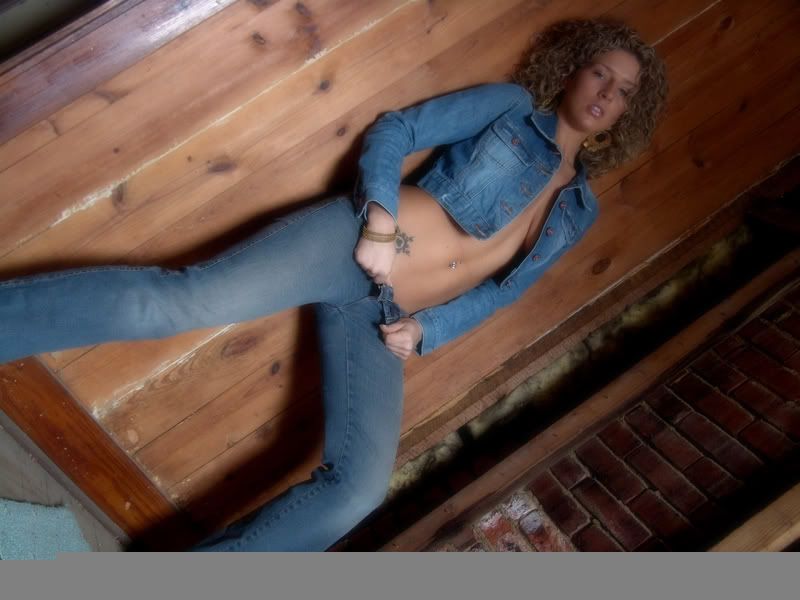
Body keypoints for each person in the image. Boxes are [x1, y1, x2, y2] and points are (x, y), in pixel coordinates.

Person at [0, 19, 667, 551]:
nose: (606, 93)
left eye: (624, 90)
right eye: (599, 73)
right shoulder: (512, 108)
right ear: (572, 70)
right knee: (180, 302)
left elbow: (505, 290)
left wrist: (428, 329)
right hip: (350, 244)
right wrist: (378, 218)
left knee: (357, 491)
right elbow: (398, 128)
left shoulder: (579, 210)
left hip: (386, 316)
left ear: (627, 112)